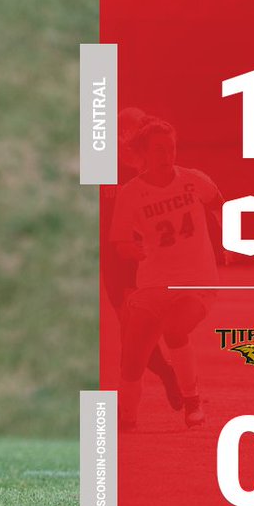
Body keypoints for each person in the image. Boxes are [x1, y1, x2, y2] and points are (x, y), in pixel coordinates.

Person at [110, 117, 224, 430]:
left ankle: (193, 402)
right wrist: (132, 249)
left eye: (171, 147)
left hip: (197, 280)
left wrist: (230, 238)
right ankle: (127, 418)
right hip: (153, 283)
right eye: (159, 149)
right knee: (133, 356)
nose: (167, 154)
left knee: (175, 329)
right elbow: (120, 242)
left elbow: (218, 203)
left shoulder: (193, 180)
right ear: (144, 154)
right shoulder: (130, 193)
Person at [100, 107, 183, 410]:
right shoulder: (102, 168)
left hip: (139, 256)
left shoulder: (153, 171)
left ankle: (137, 401)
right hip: (111, 257)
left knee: (136, 329)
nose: (123, 136)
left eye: (130, 130)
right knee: (129, 333)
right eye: (120, 130)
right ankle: (168, 373)